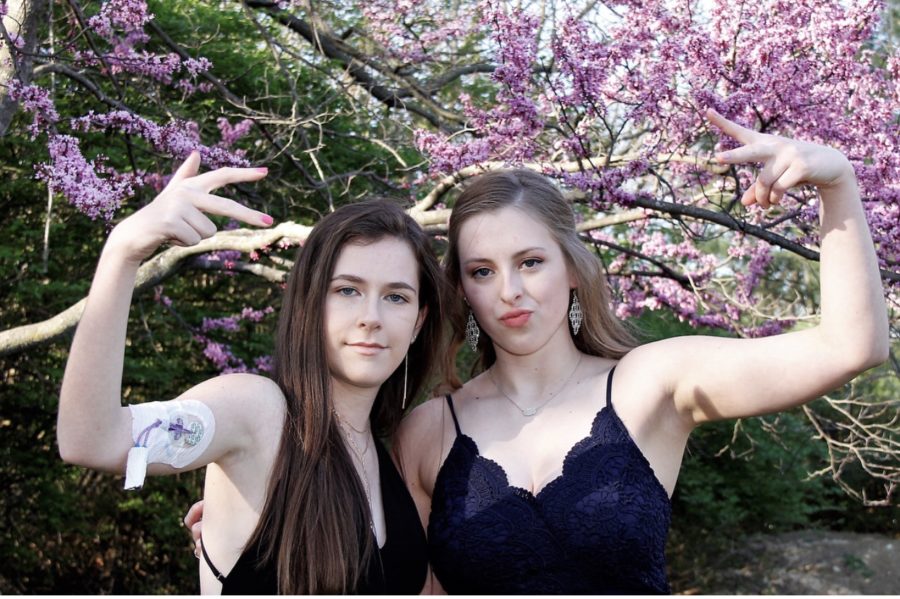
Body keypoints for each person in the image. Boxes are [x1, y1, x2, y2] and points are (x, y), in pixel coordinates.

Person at [185, 109, 889, 593]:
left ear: (572, 266)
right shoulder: (429, 430)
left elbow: (849, 345)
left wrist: (837, 185)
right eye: (482, 271)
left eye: (531, 261)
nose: (510, 292)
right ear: (459, 288)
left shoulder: (651, 385)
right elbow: (399, 578)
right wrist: (250, 526)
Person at [57, 151, 447, 594]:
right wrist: (123, 251)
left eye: (396, 297)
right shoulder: (258, 412)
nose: (371, 316)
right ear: (307, 304)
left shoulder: (388, 462)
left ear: (418, 322)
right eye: (347, 290)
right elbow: (91, 439)